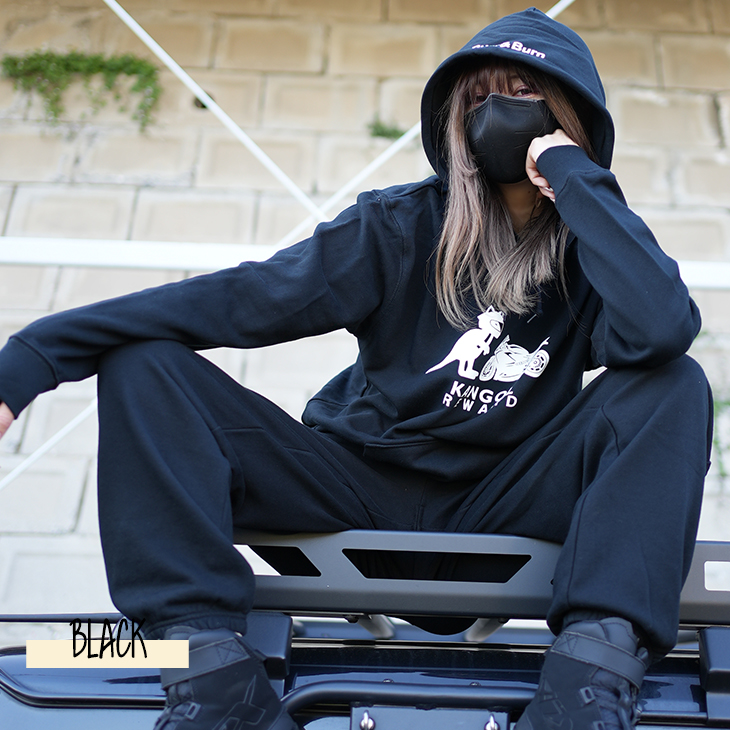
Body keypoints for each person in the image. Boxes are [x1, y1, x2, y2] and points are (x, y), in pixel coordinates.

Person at [0, 8, 712, 730]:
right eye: (477, 97)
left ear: (568, 118)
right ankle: (211, 678)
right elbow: (238, 300)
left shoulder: (597, 252)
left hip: (506, 497)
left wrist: (573, 177)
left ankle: (587, 688)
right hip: (356, 490)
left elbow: (663, 328)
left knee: (674, 383)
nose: (498, 112)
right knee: (147, 365)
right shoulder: (397, 226)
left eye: (524, 94)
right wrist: (31, 359)